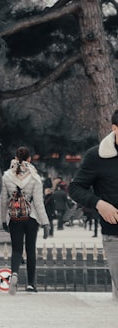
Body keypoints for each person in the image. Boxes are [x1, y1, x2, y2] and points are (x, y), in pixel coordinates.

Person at [66, 109, 118, 300]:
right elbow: (75, 188)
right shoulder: (97, 156)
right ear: (115, 129)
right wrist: (98, 203)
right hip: (114, 234)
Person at [0, 147, 50, 294]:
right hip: (31, 217)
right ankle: (31, 284)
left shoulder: (7, 176)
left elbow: (3, 201)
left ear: (15, 157)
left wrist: (3, 220)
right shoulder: (35, 177)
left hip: (14, 217)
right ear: (29, 159)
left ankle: (14, 273)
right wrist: (45, 223)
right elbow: (39, 203)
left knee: (16, 249)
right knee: (30, 249)